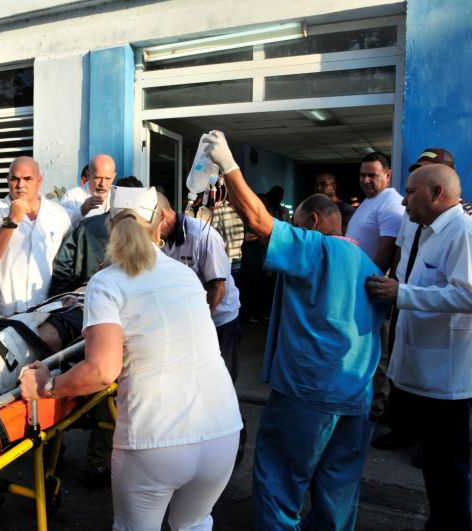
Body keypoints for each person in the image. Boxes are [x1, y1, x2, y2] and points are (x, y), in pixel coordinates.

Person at [20, 186, 242, 530]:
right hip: (222, 432)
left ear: (111, 228)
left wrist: (46, 385)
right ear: (159, 229)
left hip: (156, 441)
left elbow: (100, 371)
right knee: (195, 524)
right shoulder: (185, 275)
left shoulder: (107, 283)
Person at [203, 130, 388, 530]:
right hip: (355, 395)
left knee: (280, 479)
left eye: (297, 223)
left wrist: (228, 162)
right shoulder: (367, 265)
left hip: (308, 394)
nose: (292, 229)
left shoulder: (315, 249)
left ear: (313, 222)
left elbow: (257, 220)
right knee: (337, 488)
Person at [366, 163, 472, 531]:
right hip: (423, 371)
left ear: (437, 194)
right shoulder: (424, 229)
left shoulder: (462, 232)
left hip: (449, 380)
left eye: (411, 192)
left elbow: (467, 295)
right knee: (435, 461)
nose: (405, 199)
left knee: (450, 466)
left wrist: (403, 293)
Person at [47, 175, 143, 488]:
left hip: (80, 319)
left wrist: (66, 302)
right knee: (109, 398)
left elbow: (61, 272)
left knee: (90, 394)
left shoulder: (91, 228)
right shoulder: (141, 237)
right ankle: (97, 464)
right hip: (103, 323)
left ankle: (61, 457)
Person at [157, 192, 241, 381]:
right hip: (184, 318)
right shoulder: (159, 238)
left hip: (219, 318)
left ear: (161, 216)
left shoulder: (203, 236)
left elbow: (218, 288)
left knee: (220, 378)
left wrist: (198, 324)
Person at [345, 151, 404, 419]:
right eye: (363, 175)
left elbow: (386, 250)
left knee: (377, 353)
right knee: (364, 350)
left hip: (373, 290)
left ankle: (378, 409)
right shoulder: (370, 202)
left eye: (373, 175)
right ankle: (367, 403)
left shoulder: (390, 204)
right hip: (361, 289)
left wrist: (367, 286)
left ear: (388, 175)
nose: (366, 180)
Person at [0, 156, 71, 316]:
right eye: (15, 179)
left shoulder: (58, 214)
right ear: (8, 180)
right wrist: (10, 221)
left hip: (44, 314)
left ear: (39, 181)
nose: (21, 185)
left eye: (27, 179)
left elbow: (67, 262)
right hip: (2, 314)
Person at [59, 154, 116, 225]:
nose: (102, 184)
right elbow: (60, 227)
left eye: (107, 178)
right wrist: (81, 211)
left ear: (113, 177)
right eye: (98, 178)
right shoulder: (72, 197)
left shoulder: (119, 195)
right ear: (88, 175)